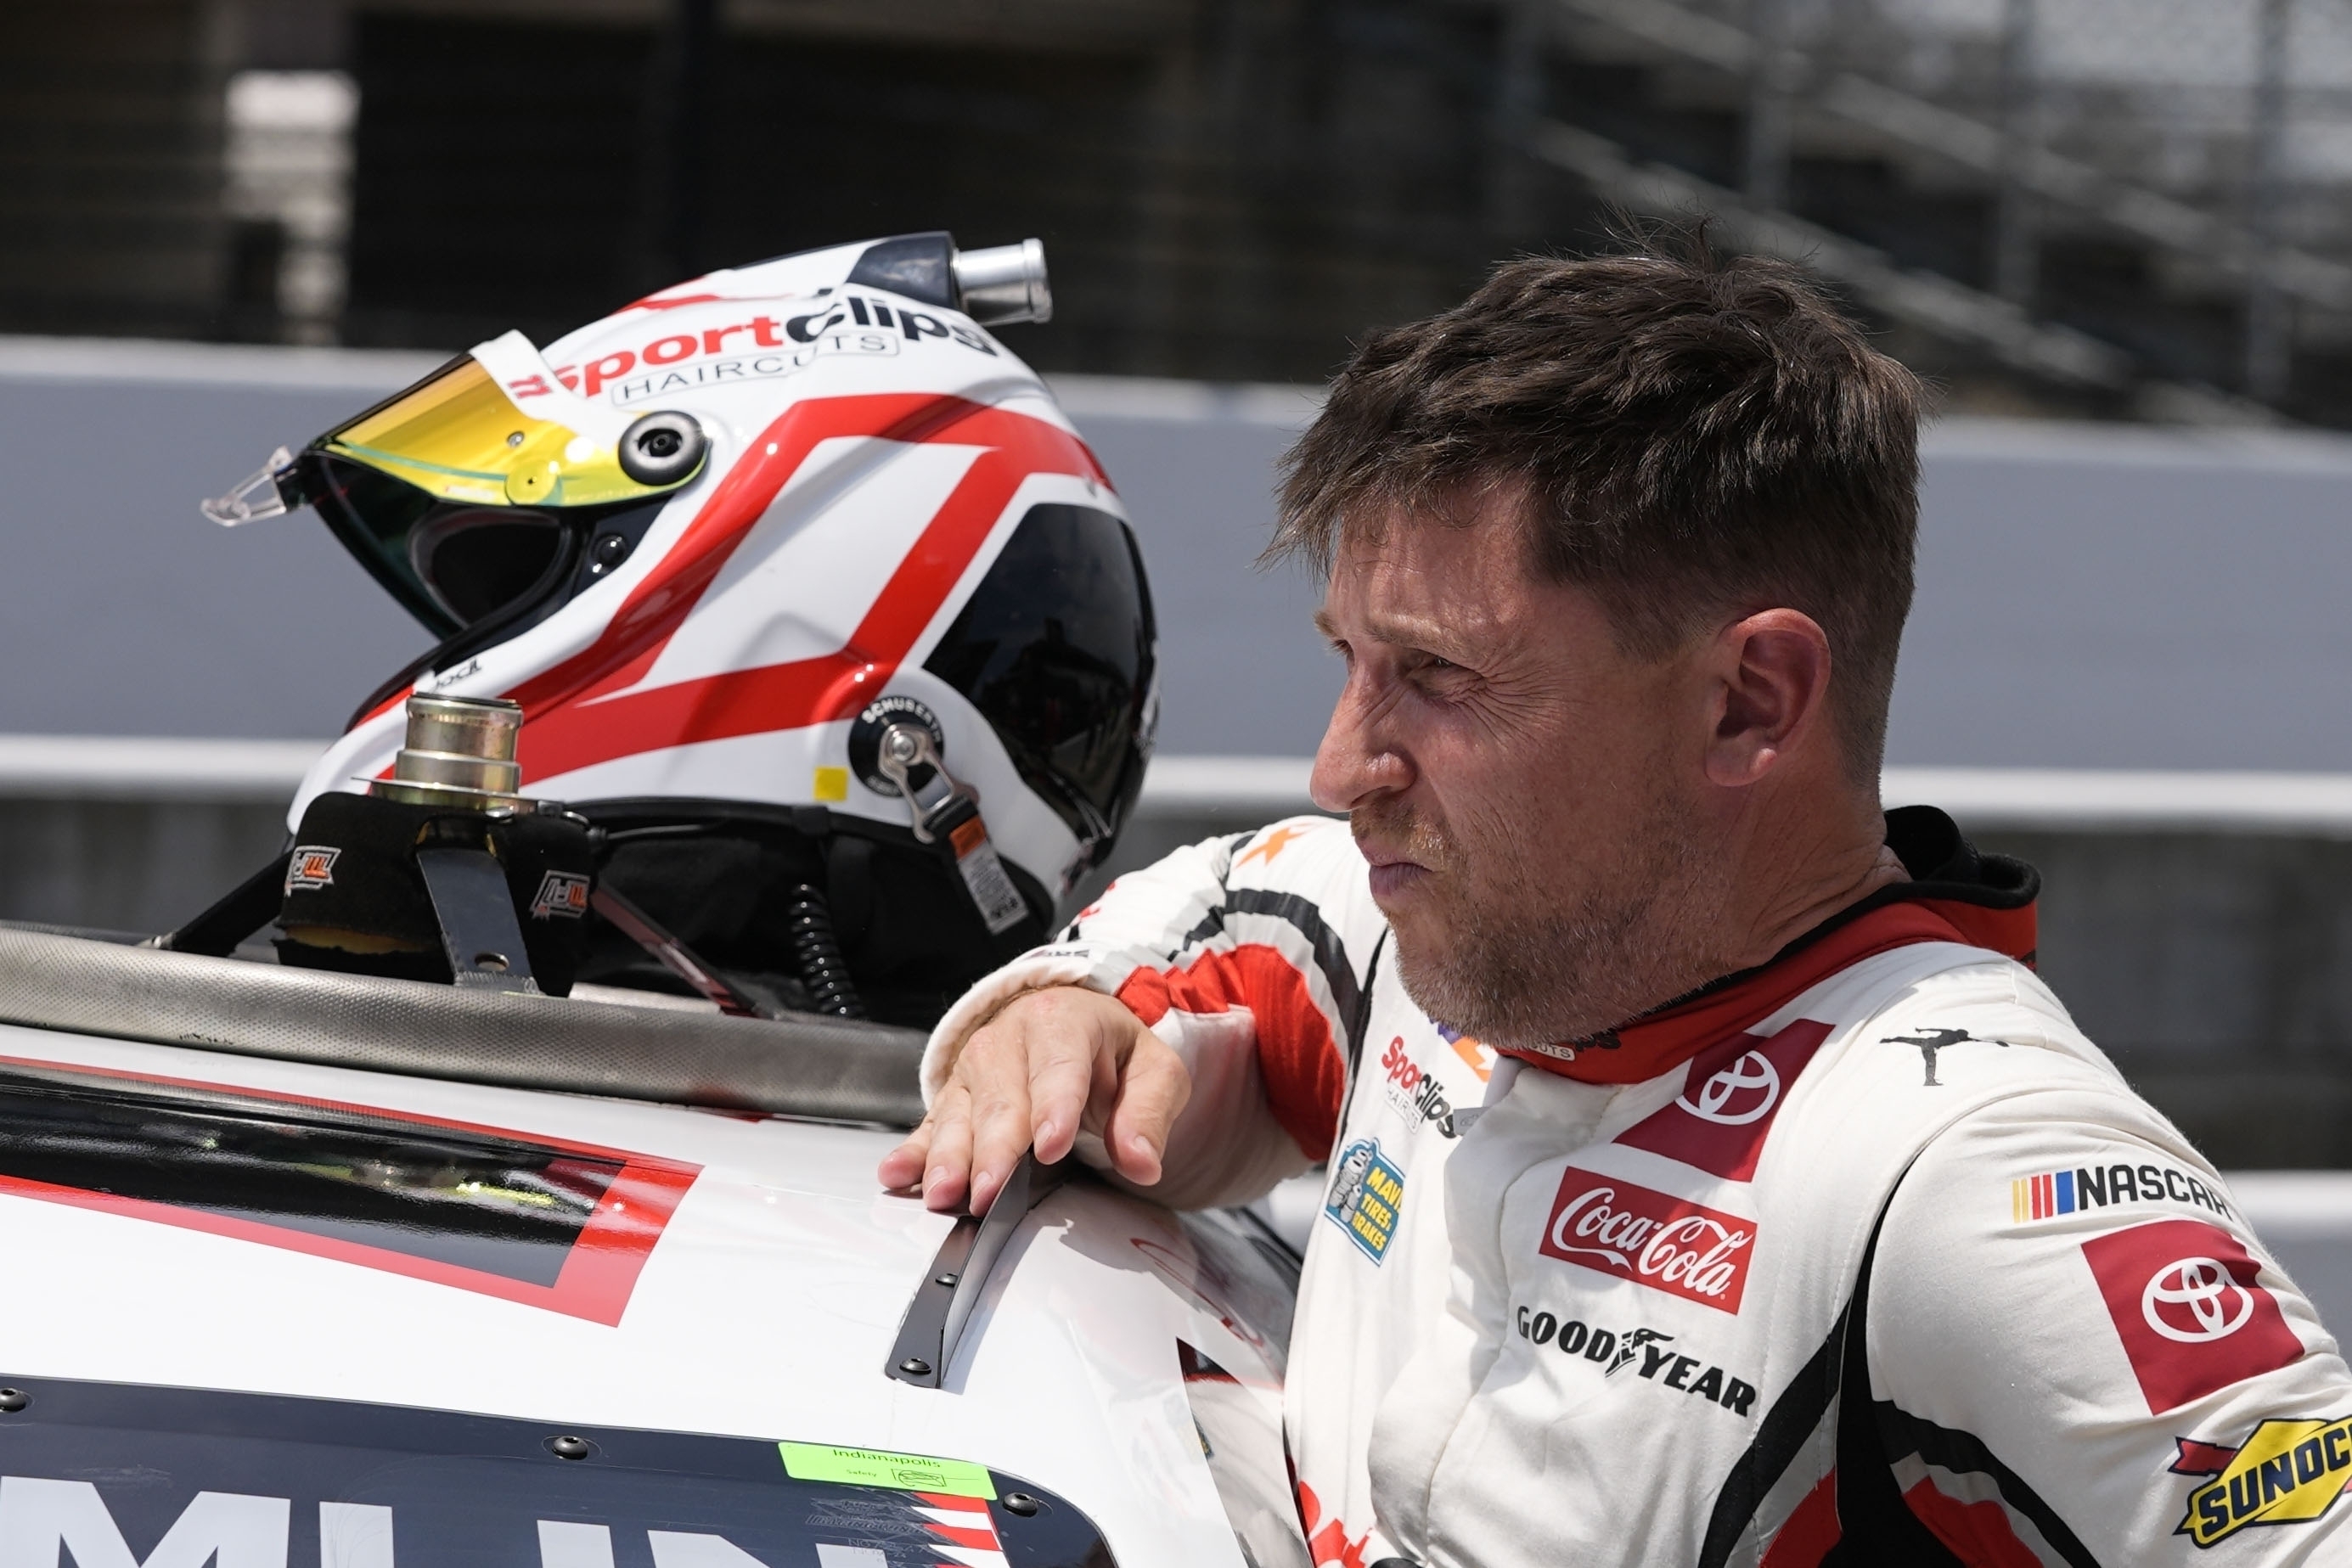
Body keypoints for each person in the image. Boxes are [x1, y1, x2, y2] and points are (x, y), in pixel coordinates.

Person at [878, 241, 2352, 1565]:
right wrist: (1064, 1012)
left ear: (1746, 703)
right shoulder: (1422, 929)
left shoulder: (1971, 1179)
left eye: (1439, 679)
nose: (1341, 767)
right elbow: (1209, 910)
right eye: (1347, 658)